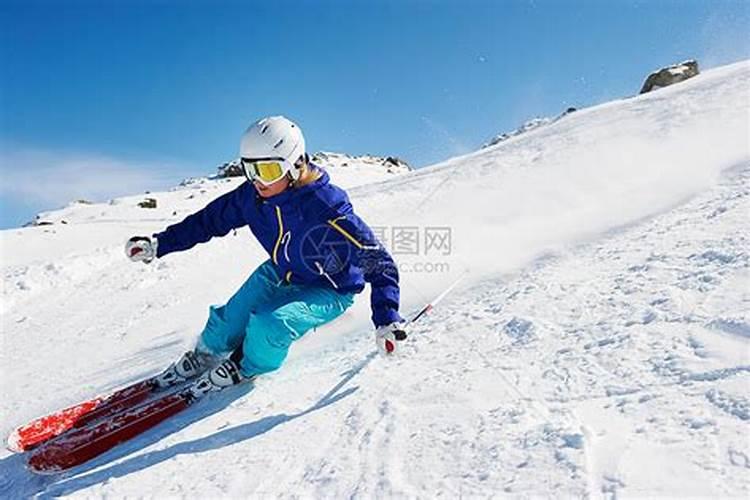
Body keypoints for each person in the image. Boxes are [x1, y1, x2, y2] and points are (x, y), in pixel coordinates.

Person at [125, 116, 407, 396]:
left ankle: (247, 366)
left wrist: (386, 317)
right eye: (250, 170)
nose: (258, 181)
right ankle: (205, 356)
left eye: (269, 170)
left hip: (330, 288)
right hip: (281, 271)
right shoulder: (253, 196)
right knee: (229, 321)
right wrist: (159, 244)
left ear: (295, 165)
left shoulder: (326, 207)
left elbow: (376, 260)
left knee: (269, 324)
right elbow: (209, 221)